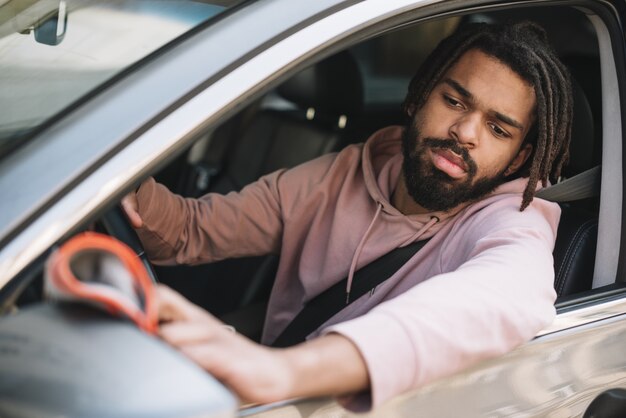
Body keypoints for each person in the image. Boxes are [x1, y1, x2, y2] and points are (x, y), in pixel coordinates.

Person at [122, 21, 572, 410]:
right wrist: (116, 181)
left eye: (497, 128)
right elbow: (188, 231)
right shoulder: (346, 173)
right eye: (454, 101)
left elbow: (508, 296)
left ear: (518, 160)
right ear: (418, 98)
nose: (465, 133)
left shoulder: (513, 221)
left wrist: (280, 370)